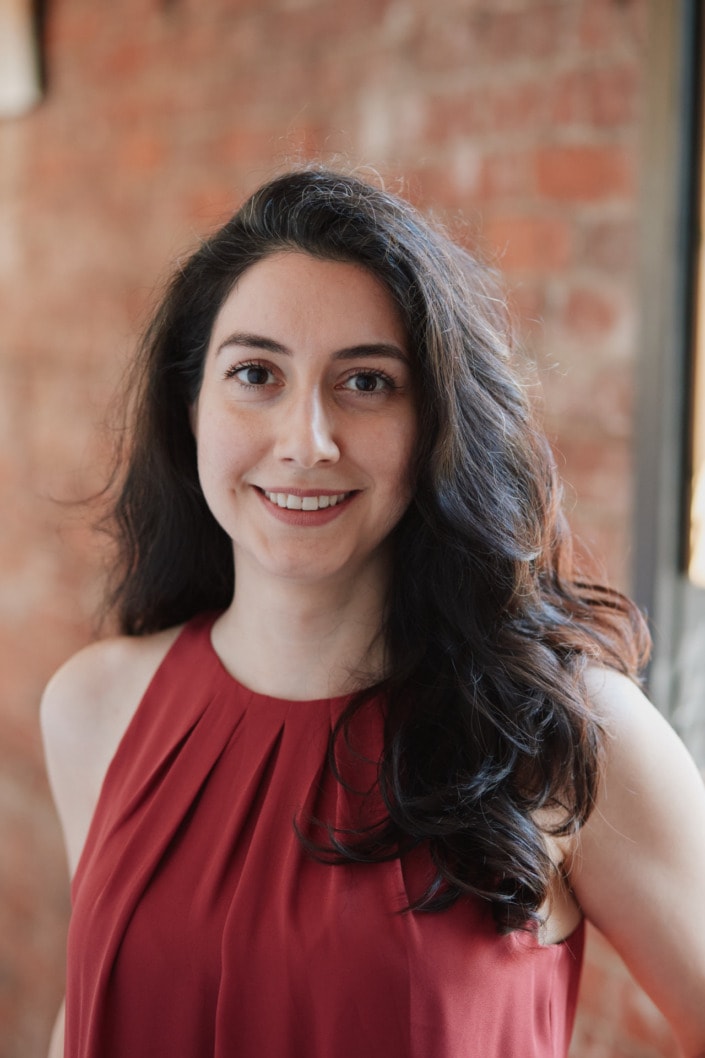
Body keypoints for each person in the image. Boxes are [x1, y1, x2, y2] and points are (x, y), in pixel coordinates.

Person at [41, 166, 705, 1058]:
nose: (307, 440)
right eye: (255, 373)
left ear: (434, 424)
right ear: (189, 407)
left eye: (366, 384)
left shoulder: (565, 736)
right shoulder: (94, 708)